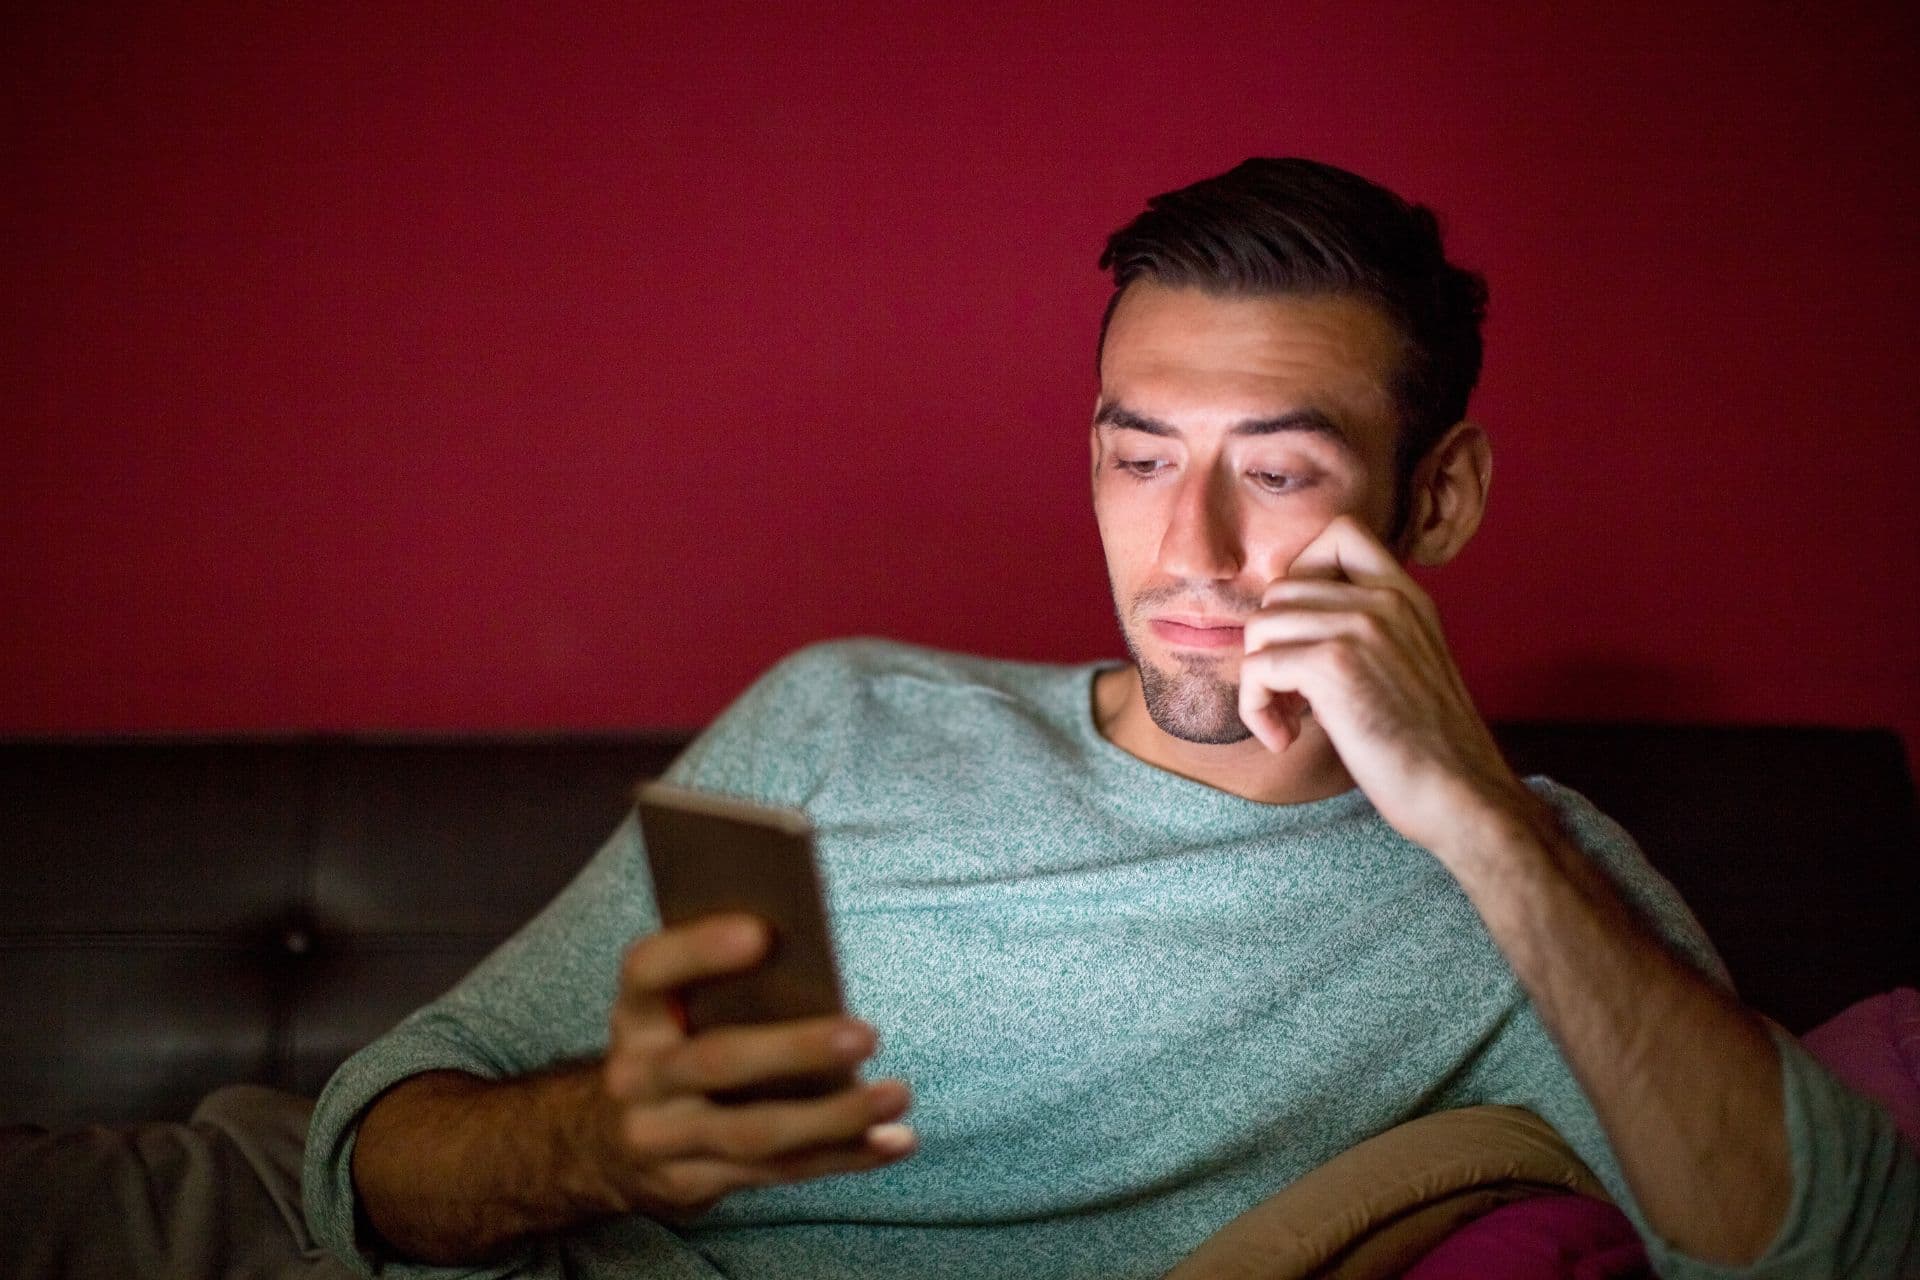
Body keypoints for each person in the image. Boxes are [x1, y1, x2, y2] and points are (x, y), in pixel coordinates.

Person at [304, 158, 1919, 1279]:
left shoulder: (1532, 893)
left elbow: (1838, 1251)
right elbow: (379, 1140)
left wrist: (1481, 822)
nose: (1188, 550)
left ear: (1439, 497)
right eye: (1138, 458)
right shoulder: (841, 710)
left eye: (1277, 471)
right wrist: (605, 1141)